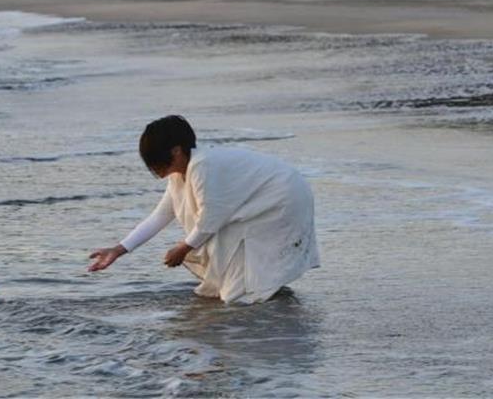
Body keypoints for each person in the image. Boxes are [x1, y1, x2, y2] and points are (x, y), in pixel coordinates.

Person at [88, 115, 320, 304]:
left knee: (239, 288)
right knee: (234, 272)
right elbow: (161, 215)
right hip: (261, 202)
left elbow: (210, 219)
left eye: (155, 160)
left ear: (176, 151)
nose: (153, 168)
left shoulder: (202, 165)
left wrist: (183, 247)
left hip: (281, 200)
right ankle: (268, 297)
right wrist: (118, 250)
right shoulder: (180, 173)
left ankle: (269, 310)